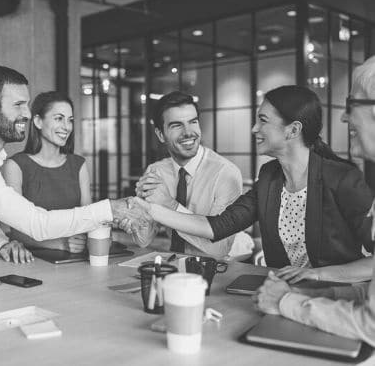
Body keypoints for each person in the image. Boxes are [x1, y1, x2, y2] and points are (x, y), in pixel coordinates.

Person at [129, 85, 373, 283]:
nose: (254, 128)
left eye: (263, 120)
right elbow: (216, 227)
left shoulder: (343, 180)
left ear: (292, 130)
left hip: (338, 300)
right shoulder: (269, 176)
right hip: (282, 297)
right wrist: (151, 208)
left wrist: (317, 274)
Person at [0, 66, 147, 263]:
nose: (28, 114)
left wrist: (0, 243)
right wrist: (110, 208)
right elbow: (37, 224)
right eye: (19, 105)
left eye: (27, 105)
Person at [254, 56, 375, 346]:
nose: (344, 117)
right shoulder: (270, 176)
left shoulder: (343, 179)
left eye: (351, 105)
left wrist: (286, 301)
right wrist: (309, 292)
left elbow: (371, 326)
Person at [134, 91, 253, 258]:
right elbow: (143, 241)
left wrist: (168, 204)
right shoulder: (157, 171)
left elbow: (219, 249)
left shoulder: (225, 173)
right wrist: (142, 207)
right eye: (176, 125)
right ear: (161, 134)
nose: (188, 132)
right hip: (175, 265)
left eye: (193, 122)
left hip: (223, 266)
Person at [2, 91, 89, 253]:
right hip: (32, 262)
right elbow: (14, 230)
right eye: (59, 118)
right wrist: (59, 243)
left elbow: (89, 220)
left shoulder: (79, 165)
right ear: (38, 121)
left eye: (70, 120)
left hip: (76, 260)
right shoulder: (15, 166)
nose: (67, 127)